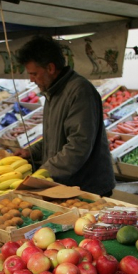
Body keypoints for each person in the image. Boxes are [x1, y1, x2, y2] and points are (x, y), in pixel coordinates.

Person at [14, 36, 115, 197]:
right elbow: (54, 140)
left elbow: (78, 145)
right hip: (64, 187)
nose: (31, 79)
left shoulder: (80, 92)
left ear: (51, 68)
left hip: (86, 190)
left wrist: (42, 174)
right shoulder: (52, 92)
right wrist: (31, 152)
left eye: (34, 74)